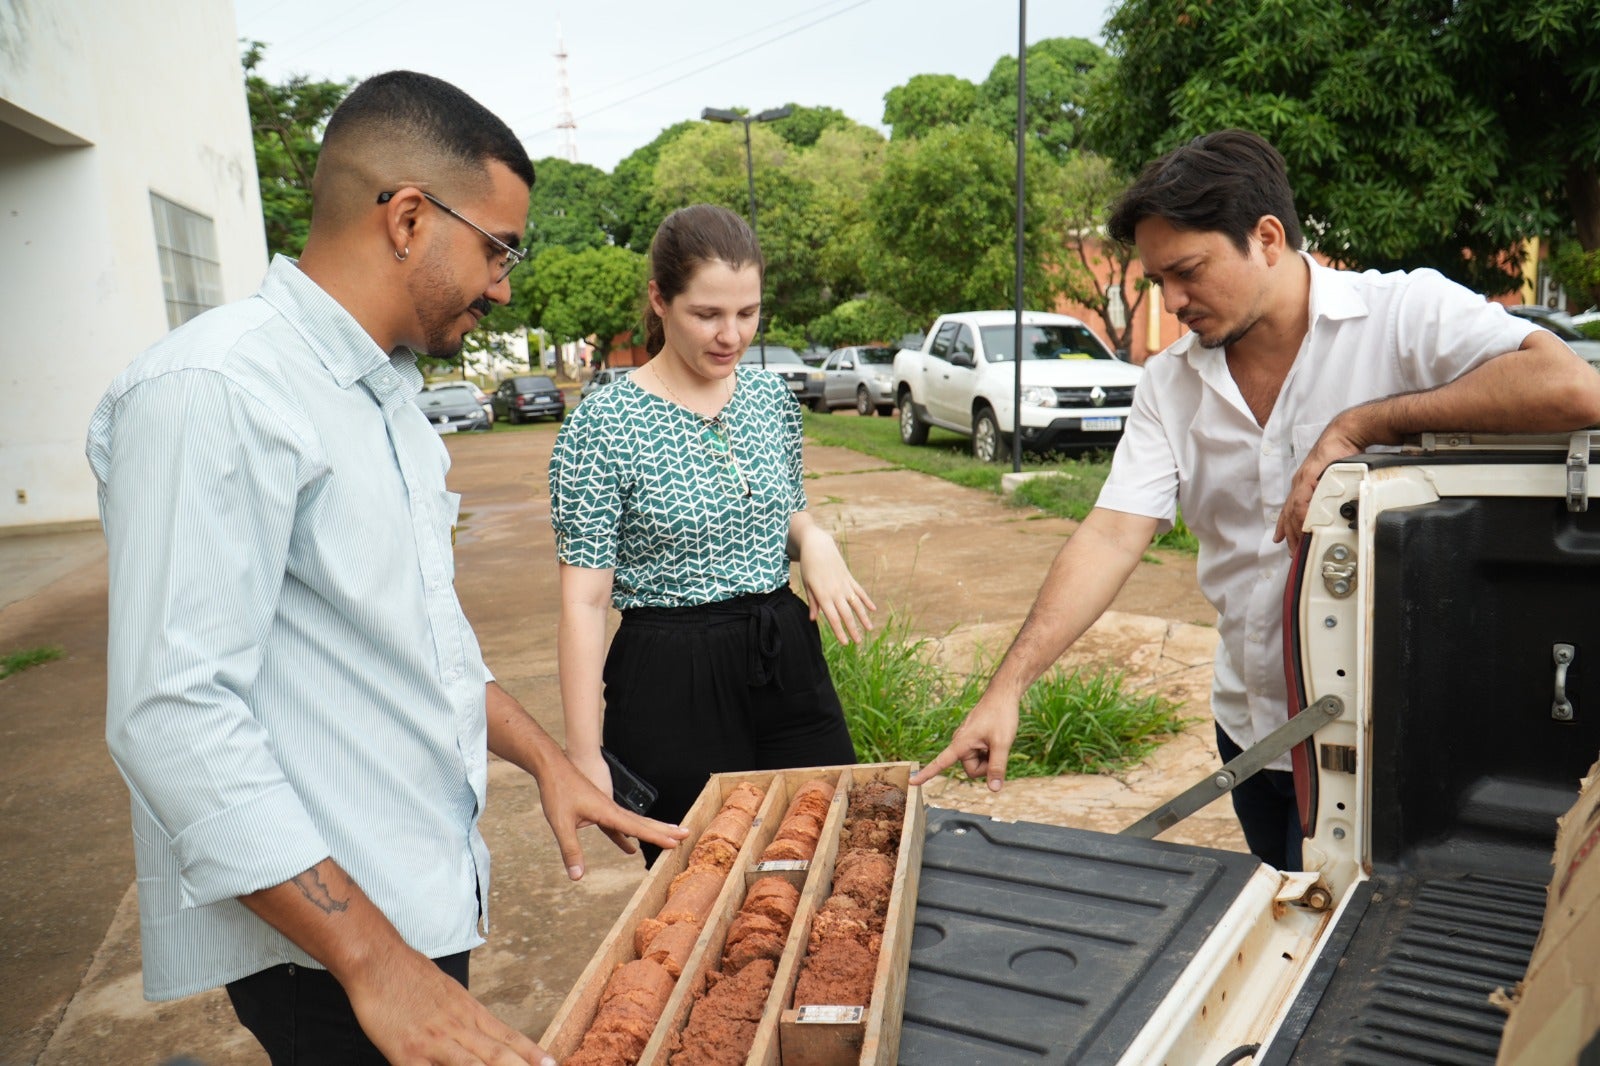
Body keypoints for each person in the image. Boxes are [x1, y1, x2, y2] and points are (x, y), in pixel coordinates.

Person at [86, 71, 684, 1066]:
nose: (504, 283)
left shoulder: (381, 396)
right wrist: (373, 961)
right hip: (324, 946)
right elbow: (171, 715)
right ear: (409, 217)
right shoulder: (216, 390)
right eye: (498, 247)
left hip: (408, 905)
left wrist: (546, 760)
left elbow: (419, 642)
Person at [910, 129, 1600, 871]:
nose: (1172, 302)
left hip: (1396, 739)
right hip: (1252, 734)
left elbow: (1573, 390)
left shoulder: (1402, 316)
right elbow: (1111, 536)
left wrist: (1364, 423)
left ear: (1267, 238)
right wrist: (1006, 688)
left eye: (1188, 272)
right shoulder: (1169, 385)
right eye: (1157, 281)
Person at [549, 204, 876, 861]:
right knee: (702, 882)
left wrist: (815, 542)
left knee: (832, 850)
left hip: (783, 654)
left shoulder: (771, 400)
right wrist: (583, 756)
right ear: (659, 300)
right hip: (672, 676)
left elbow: (782, 509)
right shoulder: (604, 424)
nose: (731, 335)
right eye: (708, 314)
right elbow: (583, 601)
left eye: (747, 313)